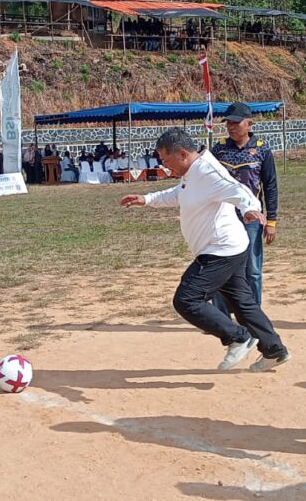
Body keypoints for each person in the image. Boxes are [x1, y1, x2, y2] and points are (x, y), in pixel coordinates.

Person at [119, 128, 291, 372]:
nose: (165, 165)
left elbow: (240, 191)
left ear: (182, 154)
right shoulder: (192, 173)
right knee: (243, 302)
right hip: (228, 247)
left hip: (220, 250)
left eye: (166, 160)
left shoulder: (208, 171)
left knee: (186, 299)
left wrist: (250, 208)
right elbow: (179, 194)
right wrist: (146, 199)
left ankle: (238, 337)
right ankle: (274, 349)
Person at [209, 102, 279, 317]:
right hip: (224, 219)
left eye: (236, 123)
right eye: (228, 123)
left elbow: (270, 185)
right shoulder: (219, 150)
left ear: (249, 123)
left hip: (251, 220)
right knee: (221, 268)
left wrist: (272, 221)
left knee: (253, 270)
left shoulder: (262, 149)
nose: (231, 127)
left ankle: (252, 313)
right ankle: (221, 315)